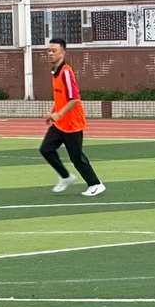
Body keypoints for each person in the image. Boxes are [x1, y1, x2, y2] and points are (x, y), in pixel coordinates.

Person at [40, 38, 105, 197]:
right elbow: (60, 97)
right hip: (60, 123)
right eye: (49, 50)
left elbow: (74, 98)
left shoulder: (66, 72)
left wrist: (59, 114)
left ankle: (95, 184)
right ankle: (65, 177)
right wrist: (52, 112)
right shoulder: (55, 72)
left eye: (54, 51)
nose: (50, 53)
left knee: (76, 158)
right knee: (46, 149)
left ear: (62, 53)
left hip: (72, 123)